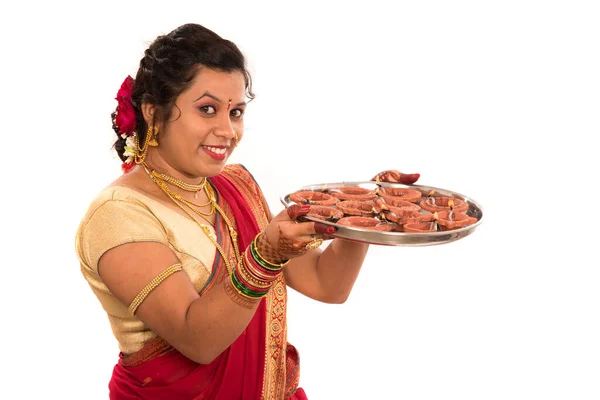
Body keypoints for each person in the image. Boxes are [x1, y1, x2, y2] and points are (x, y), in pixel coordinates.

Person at [75, 23, 420, 400]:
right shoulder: (119, 215)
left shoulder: (234, 187)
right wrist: (265, 256)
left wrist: (361, 213)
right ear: (153, 113)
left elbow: (327, 284)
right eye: (208, 109)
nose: (228, 130)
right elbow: (198, 340)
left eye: (236, 112)